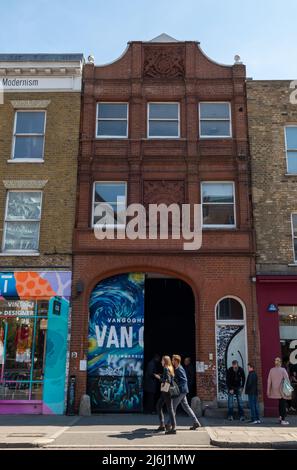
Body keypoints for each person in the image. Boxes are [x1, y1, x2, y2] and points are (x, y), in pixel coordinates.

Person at [166, 354, 200, 431]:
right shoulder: (178, 368)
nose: (172, 361)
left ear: (176, 361)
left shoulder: (179, 369)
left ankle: (169, 424)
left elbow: (184, 380)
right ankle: (196, 422)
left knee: (173, 407)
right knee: (186, 406)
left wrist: (176, 386)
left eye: (173, 360)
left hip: (181, 391)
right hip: (183, 390)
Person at [154, 356, 176, 434]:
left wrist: (159, 378)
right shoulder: (170, 368)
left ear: (165, 361)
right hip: (165, 392)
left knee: (170, 409)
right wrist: (162, 376)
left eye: (162, 360)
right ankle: (162, 425)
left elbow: (168, 381)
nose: (161, 362)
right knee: (159, 406)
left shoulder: (166, 368)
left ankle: (173, 428)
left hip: (166, 392)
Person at [267, 357, 291, 425]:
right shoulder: (283, 370)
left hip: (275, 390)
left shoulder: (271, 370)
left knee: (280, 404)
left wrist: (268, 391)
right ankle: (283, 420)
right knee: (283, 404)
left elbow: (269, 381)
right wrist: (289, 389)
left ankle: (280, 417)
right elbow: (287, 379)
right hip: (282, 390)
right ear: (280, 362)